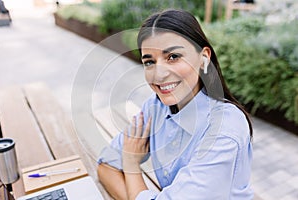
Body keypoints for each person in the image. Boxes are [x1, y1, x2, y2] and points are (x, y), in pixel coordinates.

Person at [97, 9, 253, 200]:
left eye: (173, 57)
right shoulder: (155, 108)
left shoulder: (224, 129)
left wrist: (131, 165)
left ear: (204, 58)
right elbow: (106, 165)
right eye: (149, 62)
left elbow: (120, 165)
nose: (159, 74)